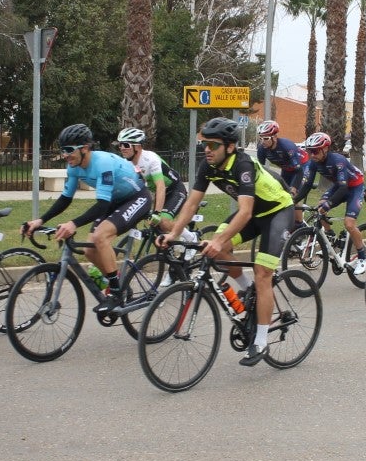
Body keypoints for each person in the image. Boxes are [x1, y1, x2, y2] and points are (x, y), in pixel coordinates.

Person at [159, 117, 294, 366]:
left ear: (230, 147)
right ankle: (247, 288)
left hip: (277, 212)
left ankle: (261, 341)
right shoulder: (208, 165)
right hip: (253, 214)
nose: (207, 150)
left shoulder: (242, 164)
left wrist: (219, 241)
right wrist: (173, 234)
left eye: (213, 145)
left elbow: (245, 211)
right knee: (217, 250)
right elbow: (191, 203)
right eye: (204, 144)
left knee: (263, 273)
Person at [22, 123, 152, 315]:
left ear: (84, 148)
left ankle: (116, 293)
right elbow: (65, 198)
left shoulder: (102, 164)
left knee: (100, 237)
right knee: (89, 250)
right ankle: (120, 286)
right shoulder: (74, 167)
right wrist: (40, 220)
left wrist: (73, 223)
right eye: (62, 150)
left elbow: (102, 205)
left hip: (137, 198)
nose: (65, 155)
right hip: (114, 200)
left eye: (69, 150)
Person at [296, 132, 366, 274]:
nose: (312, 155)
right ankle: (331, 236)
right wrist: (293, 201)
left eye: (315, 151)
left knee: (349, 224)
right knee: (320, 207)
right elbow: (307, 185)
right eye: (309, 151)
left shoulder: (337, 160)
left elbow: (344, 188)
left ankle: (362, 257)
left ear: (325, 149)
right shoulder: (313, 163)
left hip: (355, 187)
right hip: (340, 185)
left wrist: (328, 205)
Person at [115, 127, 198, 245]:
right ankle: (167, 252)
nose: (122, 148)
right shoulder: (126, 163)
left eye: (126, 145)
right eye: (120, 145)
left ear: (137, 147)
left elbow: (160, 186)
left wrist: (157, 213)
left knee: (163, 221)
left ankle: (191, 237)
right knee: (156, 227)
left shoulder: (150, 159)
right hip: (157, 193)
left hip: (174, 190)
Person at [255, 120, 310, 224]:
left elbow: (299, 171)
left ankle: (300, 225)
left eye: (266, 138)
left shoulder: (287, 146)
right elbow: (260, 169)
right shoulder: (262, 149)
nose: (262, 141)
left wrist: (294, 189)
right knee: (279, 194)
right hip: (287, 170)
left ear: (275, 137)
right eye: (260, 138)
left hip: (302, 166)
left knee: (292, 197)